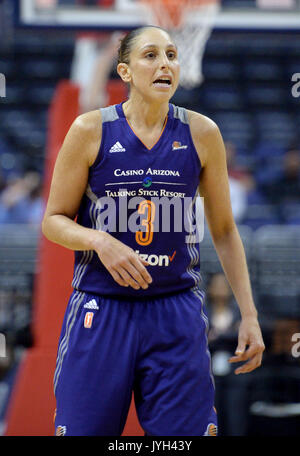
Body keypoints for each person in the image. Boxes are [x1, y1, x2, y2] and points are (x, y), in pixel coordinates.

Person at [42, 26, 265, 437]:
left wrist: (248, 314)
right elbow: (53, 219)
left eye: (172, 55)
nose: (165, 63)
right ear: (124, 71)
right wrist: (99, 240)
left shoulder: (202, 133)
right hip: (101, 306)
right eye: (151, 55)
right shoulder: (90, 130)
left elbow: (225, 230)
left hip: (175, 309)